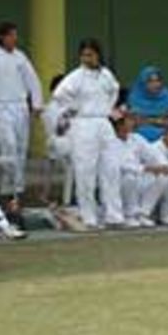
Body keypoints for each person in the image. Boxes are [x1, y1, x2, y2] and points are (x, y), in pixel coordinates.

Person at [50, 38, 121, 230]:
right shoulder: (76, 76)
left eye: (90, 54)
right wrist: (75, 108)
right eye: (83, 55)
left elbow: (114, 90)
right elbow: (59, 95)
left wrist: (108, 107)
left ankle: (113, 214)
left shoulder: (106, 74)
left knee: (111, 169)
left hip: (103, 122)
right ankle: (88, 215)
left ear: (98, 55)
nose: (86, 58)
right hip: (83, 123)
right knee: (85, 172)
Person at [0, 22, 43, 196]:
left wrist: (36, 104)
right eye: (11, 35)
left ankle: (15, 186)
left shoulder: (20, 57)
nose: (15, 39)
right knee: (9, 145)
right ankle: (12, 183)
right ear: (1, 37)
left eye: (15, 35)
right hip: (0, 106)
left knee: (22, 146)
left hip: (20, 106)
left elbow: (32, 80)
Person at [127, 65, 168, 143]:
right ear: (143, 82)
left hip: (164, 140)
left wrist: (146, 120)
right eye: (150, 81)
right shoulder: (134, 97)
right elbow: (136, 122)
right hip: (139, 139)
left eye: (157, 80)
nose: (155, 84)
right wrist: (158, 120)